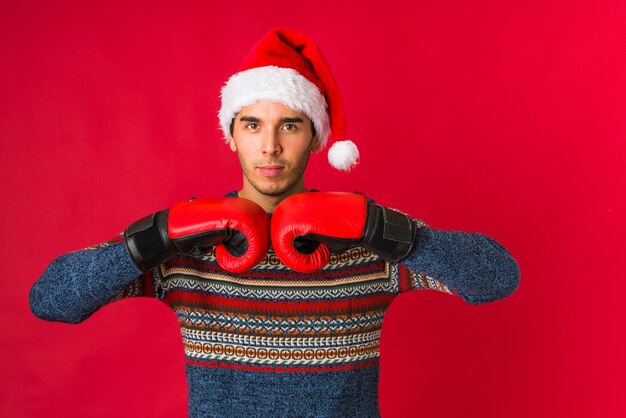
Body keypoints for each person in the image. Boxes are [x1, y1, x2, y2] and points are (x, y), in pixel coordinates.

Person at [29, 28, 521, 417]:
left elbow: (498, 277)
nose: (270, 147)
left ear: (314, 137)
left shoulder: (367, 236)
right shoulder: (186, 243)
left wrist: (384, 229)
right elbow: (51, 301)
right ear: (230, 136)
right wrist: (153, 237)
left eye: (289, 125)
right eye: (252, 125)